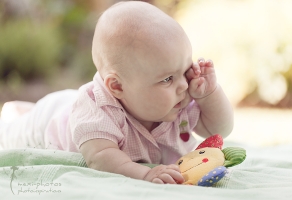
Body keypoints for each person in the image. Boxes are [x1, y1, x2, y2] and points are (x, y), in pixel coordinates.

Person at [0, 1, 233, 184]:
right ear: (118, 87)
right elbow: (99, 157)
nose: (183, 85)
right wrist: (143, 174)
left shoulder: (177, 100)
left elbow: (220, 130)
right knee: (11, 131)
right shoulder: (97, 110)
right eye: (167, 79)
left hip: (68, 102)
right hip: (51, 120)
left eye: (185, 71)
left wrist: (209, 94)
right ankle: (12, 112)